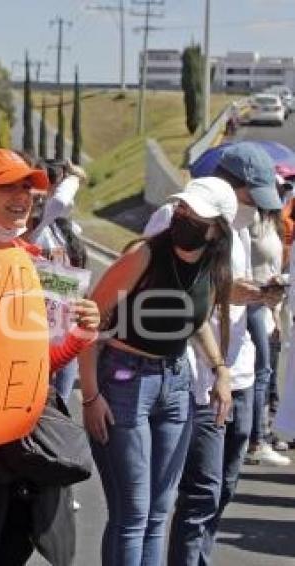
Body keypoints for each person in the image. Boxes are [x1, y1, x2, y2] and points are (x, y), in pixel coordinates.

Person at [0, 148, 100, 566]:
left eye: (28, 187)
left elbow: (42, 364)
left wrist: (82, 334)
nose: (23, 196)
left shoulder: (39, 266)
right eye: (8, 186)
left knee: (12, 549)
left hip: (22, 446)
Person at [80, 177, 237, 566]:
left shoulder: (213, 266)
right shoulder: (145, 255)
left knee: (158, 512)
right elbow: (87, 320)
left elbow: (194, 319)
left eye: (194, 213)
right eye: (181, 208)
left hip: (177, 382)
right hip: (124, 379)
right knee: (132, 513)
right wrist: (90, 395)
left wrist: (220, 369)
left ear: (217, 227)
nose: (182, 215)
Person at [165, 143, 285, 566]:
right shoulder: (186, 221)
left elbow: (226, 286)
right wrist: (215, 368)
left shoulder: (236, 229)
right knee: (202, 490)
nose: (258, 209)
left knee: (226, 485)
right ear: (233, 186)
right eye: (254, 197)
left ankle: (200, 557)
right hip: (205, 377)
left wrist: (260, 293)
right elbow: (195, 293)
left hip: (243, 371)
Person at [29, 159, 89, 403]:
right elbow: (60, 202)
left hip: (66, 323)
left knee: (61, 402)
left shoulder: (68, 230)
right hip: (38, 326)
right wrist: (74, 177)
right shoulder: (35, 225)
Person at [244, 205, 290, 466]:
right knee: (261, 373)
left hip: (268, 304)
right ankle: (255, 440)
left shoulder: (273, 222)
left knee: (264, 373)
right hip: (251, 303)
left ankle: (255, 436)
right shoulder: (250, 219)